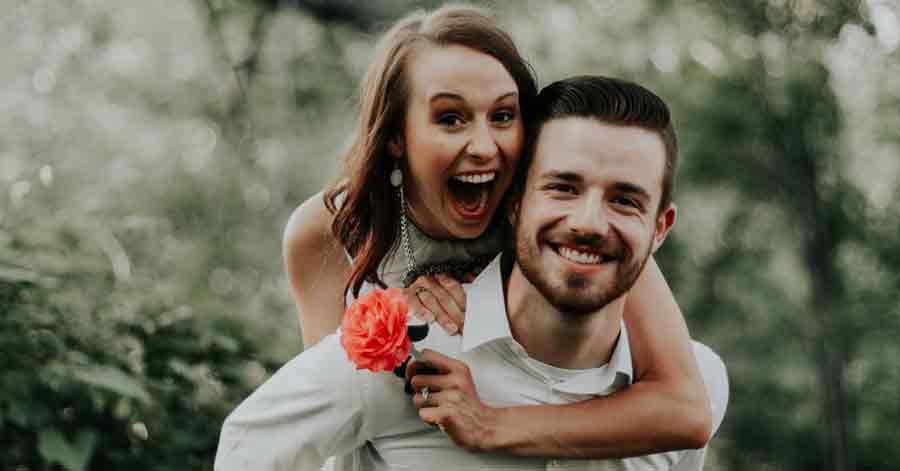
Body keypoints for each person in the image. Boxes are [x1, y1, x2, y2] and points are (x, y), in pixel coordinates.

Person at [216, 75, 728, 471]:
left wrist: (493, 425)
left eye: (624, 200)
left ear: (661, 228)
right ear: (513, 202)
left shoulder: (698, 382)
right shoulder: (404, 357)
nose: (589, 223)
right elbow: (248, 447)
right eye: (562, 188)